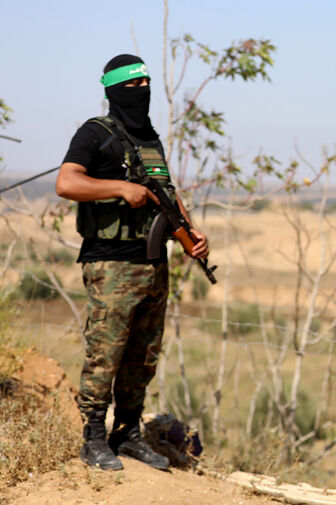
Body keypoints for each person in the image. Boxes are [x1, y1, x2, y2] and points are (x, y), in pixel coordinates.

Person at [56, 54, 209, 471]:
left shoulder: (150, 140)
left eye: (147, 85)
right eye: (133, 87)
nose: (142, 93)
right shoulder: (95, 133)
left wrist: (190, 234)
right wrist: (120, 188)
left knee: (142, 355)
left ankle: (127, 433)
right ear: (114, 90)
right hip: (111, 264)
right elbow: (66, 182)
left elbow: (167, 196)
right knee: (105, 353)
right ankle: (93, 437)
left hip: (153, 263)